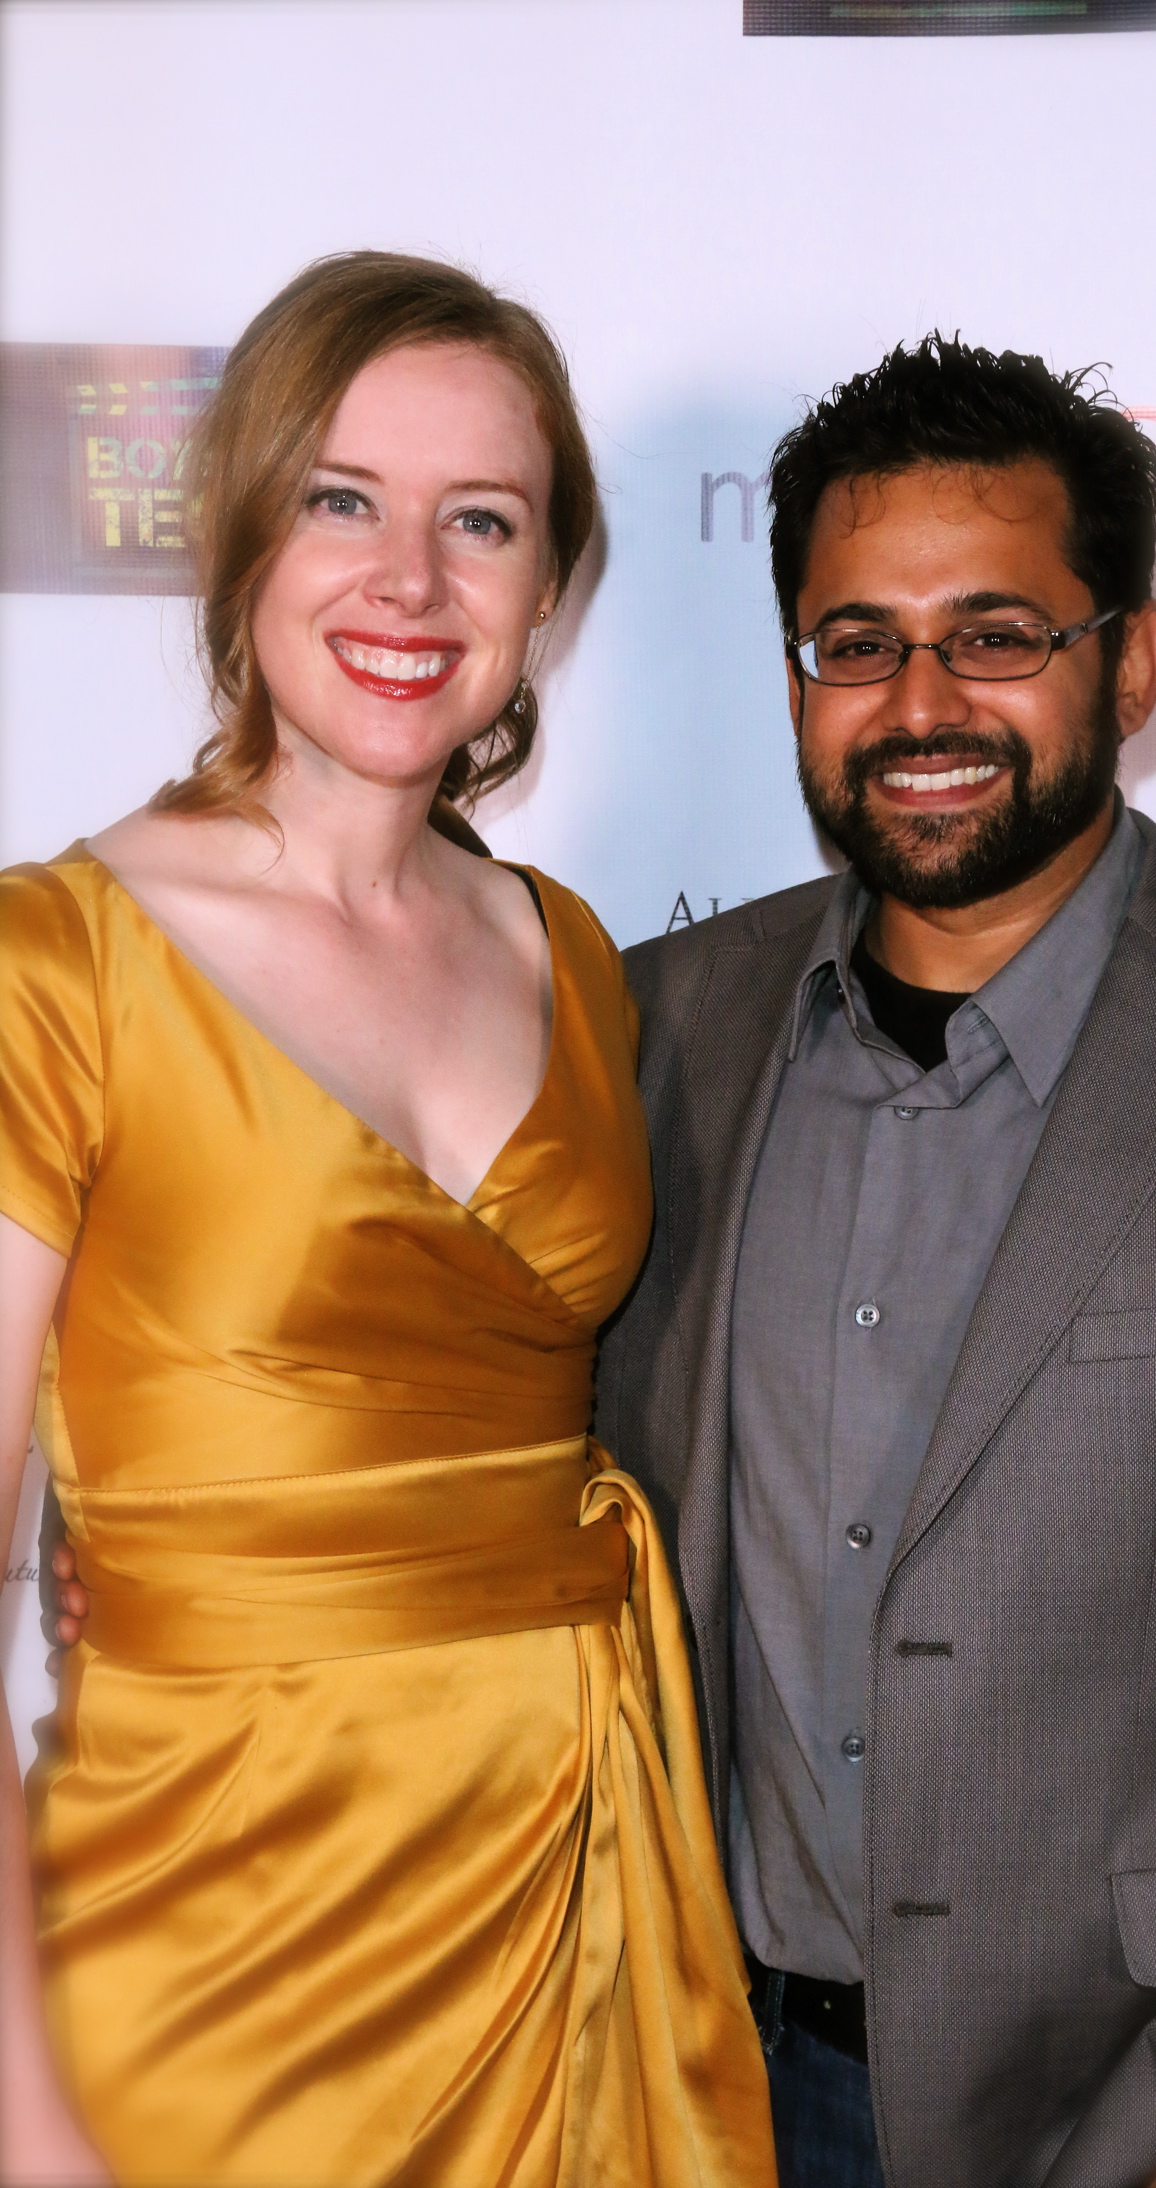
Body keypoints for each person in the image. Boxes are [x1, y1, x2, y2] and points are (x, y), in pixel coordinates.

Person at [588, 340, 1156, 2185]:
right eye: (856, 642)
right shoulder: (656, 1031)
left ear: (1129, 662)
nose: (920, 700)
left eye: (996, 634)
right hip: (720, 2093)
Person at [1, 251, 774, 2188]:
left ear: (550, 586)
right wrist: (25, 2121)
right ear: (246, 525)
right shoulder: (50, 963)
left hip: (574, 1900)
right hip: (204, 1939)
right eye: (343, 498)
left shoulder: (576, 958)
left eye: (481, 522)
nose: (410, 583)